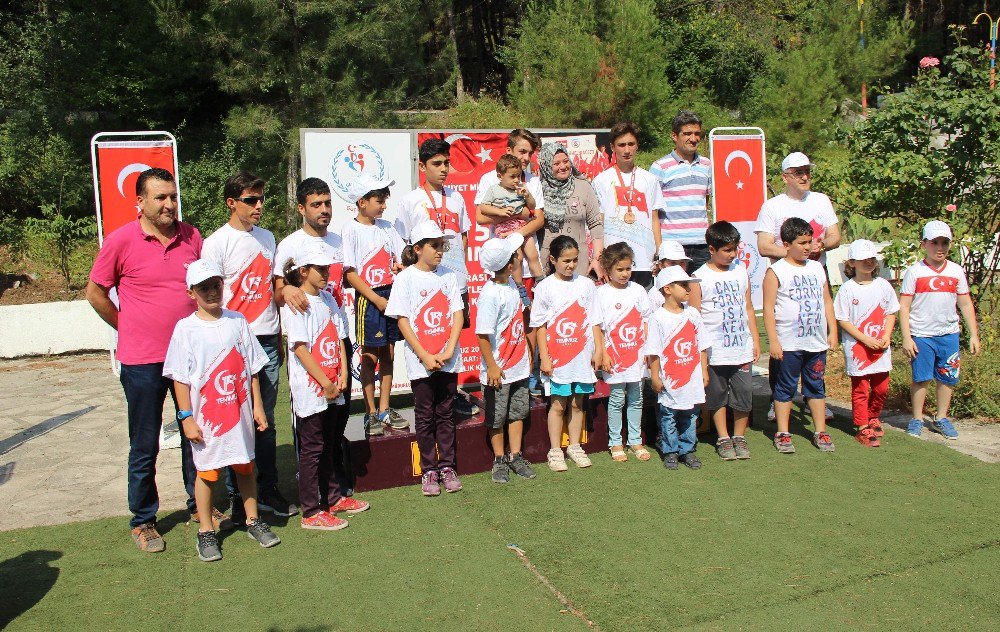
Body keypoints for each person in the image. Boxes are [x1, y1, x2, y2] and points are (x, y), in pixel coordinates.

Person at [86, 167, 201, 553]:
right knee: (145, 442)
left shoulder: (192, 237)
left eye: (172, 196)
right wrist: (127, 326)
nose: (169, 204)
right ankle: (144, 520)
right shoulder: (120, 241)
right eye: (160, 198)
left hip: (187, 360)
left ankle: (198, 505)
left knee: (194, 435)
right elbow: (95, 292)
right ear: (140, 202)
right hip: (142, 362)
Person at [163, 259, 280, 561]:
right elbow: (179, 377)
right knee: (208, 472)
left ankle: (253, 519)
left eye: (216, 285)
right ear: (192, 293)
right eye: (204, 288)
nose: (212, 292)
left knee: (244, 466)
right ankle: (205, 530)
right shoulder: (185, 329)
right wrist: (186, 417)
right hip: (208, 418)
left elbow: (251, 367)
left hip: (239, 412)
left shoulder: (237, 320)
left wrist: (257, 406)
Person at [201, 171, 297, 520]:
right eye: (251, 200)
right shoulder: (216, 243)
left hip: (268, 339)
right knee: (234, 419)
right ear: (231, 203)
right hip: (233, 343)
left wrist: (282, 325)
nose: (259, 206)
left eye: (261, 199)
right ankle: (236, 497)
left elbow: (274, 287)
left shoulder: (268, 237)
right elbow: (208, 297)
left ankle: (268, 487)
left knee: (266, 420)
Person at [281, 243, 370, 530]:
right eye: (319, 269)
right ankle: (310, 510)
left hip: (334, 385)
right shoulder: (298, 304)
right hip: (312, 390)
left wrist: (343, 377)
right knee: (312, 449)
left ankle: (332, 497)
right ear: (303, 272)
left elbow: (341, 340)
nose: (326, 274)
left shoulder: (329, 300)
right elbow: (300, 349)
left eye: (327, 269)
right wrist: (325, 382)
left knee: (330, 443)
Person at [274, 178, 354, 493]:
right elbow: (278, 291)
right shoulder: (289, 245)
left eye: (327, 203)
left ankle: (333, 482)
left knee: (337, 415)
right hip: (309, 340)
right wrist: (289, 288)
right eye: (316, 204)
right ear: (301, 208)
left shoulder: (339, 241)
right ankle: (309, 482)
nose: (324, 210)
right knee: (311, 422)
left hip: (338, 336)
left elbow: (347, 281)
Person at [755, 151, 842, 422]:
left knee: (815, 337)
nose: (805, 176)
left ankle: (813, 396)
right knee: (783, 338)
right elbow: (763, 246)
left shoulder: (821, 200)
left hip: (816, 272)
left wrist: (821, 245)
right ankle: (778, 398)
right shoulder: (773, 206)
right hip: (783, 276)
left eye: (807, 171)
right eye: (798, 172)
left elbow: (835, 235)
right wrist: (794, 254)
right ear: (785, 177)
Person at [398, 139, 478, 418]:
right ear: (422, 166)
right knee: (427, 333)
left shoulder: (456, 197)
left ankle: (451, 395)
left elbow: (464, 238)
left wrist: (459, 272)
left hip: (455, 280)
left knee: (452, 336)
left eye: (446, 163)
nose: (444, 169)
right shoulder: (410, 201)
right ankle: (427, 399)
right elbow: (405, 243)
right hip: (425, 284)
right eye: (437, 164)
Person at [385, 221, 466, 496]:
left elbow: (458, 314)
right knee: (425, 414)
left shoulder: (449, 276)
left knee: (445, 412)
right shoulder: (405, 278)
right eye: (434, 245)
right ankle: (429, 469)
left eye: (441, 245)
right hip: (421, 361)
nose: (440, 250)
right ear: (417, 249)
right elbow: (403, 321)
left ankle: (448, 466)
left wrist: (449, 350)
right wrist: (424, 355)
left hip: (447, 357)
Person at [762, 217, 838, 454]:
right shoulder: (776, 271)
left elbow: (827, 301)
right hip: (789, 342)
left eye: (810, 242)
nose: (808, 247)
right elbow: (768, 308)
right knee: (785, 388)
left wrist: (833, 331)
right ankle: (783, 433)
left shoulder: (817, 268)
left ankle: (820, 431)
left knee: (815, 386)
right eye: (802, 243)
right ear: (786, 244)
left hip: (815, 342)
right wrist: (774, 340)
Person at [899, 220, 981, 439]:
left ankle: (941, 418)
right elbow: (904, 307)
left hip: (949, 335)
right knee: (921, 378)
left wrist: (973, 334)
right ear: (924, 244)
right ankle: (916, 419)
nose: (940, 247)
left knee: (947, 378)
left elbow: (964, 303)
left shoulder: (956, 271)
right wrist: (907, 337)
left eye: (944, 242)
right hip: (922, 335)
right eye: (935, 242)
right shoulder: (914, 272)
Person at [341, 173, 408, 437]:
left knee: (388, 354)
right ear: (362, 202)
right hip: (369, 299)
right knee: (369, 356)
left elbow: (400, 257)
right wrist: (376, 299)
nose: (383, 206)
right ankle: (369, 413)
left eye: (384, 201)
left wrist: (401, 265)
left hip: (391, 294)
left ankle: (384, 408)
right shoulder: (350, 229)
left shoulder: (387, 226)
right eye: (379, 201)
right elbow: (350, 273)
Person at [530, 235, 603, 472]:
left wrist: (598, 351)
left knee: (578, 403)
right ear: (552, 259)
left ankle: (574, 447)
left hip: (581, 357)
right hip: (558, 358)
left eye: (575, 260)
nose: (571, 266)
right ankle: (554, 450)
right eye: (566, 261)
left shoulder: (587, 285)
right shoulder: (544, 287)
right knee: (559, 405)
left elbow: (595, 321)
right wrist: (546, 358)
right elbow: (539, 326)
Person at [688, 221, 760, 461]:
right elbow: (696, 318)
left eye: (734, 249)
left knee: (744, 392)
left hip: (741, 347)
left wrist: (755, 340)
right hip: (715, 350)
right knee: (717, 395)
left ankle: (739, 436)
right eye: (727, 250)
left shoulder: (741, 272)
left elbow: (748, 307)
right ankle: (723, 437)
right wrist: (701, 354)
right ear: (711, 249)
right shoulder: (699, 277)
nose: (732, 254)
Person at [476, 234, 537, 484]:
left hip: (519, 367)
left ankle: (516, 456)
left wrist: (529, 356)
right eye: (517, 254)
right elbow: (482, 335)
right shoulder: (490, 294)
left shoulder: (514, 285)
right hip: (499, 370)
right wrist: (491, 365)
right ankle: (499, 459)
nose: (520, 256)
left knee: (517, 413)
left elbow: (524, 323)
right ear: (510, 264)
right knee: (497, 417)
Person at [834, 240, 899, 447]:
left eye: (871, 258)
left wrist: (886, 335)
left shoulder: (883, 285)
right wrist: (865, 340)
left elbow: (891, 312)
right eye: (863, 259)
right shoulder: (847, 289)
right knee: (861, 388)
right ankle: (862, 427)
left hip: (880, 346)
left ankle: (873, 416)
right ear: (852, 262)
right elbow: (842, 320)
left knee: (881, 388)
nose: (868, 262)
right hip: (858, 348)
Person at [645, 266, 710, 471]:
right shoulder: (658, 317)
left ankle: (687, 450)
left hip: (691, 379)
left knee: (690, 416)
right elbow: (653, 351)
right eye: (683, 285)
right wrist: (655, 376)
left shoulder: (693, 314)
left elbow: (701, 346)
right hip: (670, 380)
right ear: (667, 289)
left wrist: (704, 371)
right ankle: (670, 451)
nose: (688, 289)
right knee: (668, 416)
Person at [594, 242, 653, 462]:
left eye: (628, 269)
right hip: (614, 357)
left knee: (636, 399)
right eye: (619, 269)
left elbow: (646, 320)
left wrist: (647, 349)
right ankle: (615, 442)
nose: (625, 274)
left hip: (636, 356)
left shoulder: (638, 290)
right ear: (608, 269)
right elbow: (597, 327)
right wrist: (604, 354)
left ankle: (635, 440)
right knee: (617, 399)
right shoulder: (601, 293)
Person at [593, 121, 666, 287]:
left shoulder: (650, 180)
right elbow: (599, 221)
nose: (627, 150)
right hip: (614, 261)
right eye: (621, 145)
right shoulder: (601, 181)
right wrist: (599, 257)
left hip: (643, 260)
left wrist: (659, 254)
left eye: (631, 144)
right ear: (612, 147)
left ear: (637, 146)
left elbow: (655, 219)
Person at [650, 111, 713, 272]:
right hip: (673, 246)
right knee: (674, 294)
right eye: (687, 134)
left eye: (697, 134)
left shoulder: (707, 165)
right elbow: (653, 212)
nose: (693, 139)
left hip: (702, 244)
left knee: (700, 293)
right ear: (674, 136)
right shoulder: (659, 167)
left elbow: (704, 202)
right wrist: (659, 248)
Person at [535, 143, 604, 278]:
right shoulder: (538, 189)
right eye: (556, 164)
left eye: (566, 161)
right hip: (547, 263)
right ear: (547, 166)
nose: (563, 167)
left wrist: (597, 259)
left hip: (578, 263)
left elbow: (596, 224)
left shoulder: (583, 186)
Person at [476, 154, 543, 283]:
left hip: (522, 227)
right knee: (518, 257)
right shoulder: (494, 190)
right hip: (505, 230)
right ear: (500, 176)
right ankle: (519, 285)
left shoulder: (521, 188)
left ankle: (540, 281)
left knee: (533, 254)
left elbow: (532, 207)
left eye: (518, 176)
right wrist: (499, 211)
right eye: (512, 177)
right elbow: (483, 208)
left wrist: (527, 196)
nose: (516, 180)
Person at [647, 239, 691, 310]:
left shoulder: (689, 288)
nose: (678, 267)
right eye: (673, 263)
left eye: (682, 263)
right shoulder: (655, 293)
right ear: (661, 265)